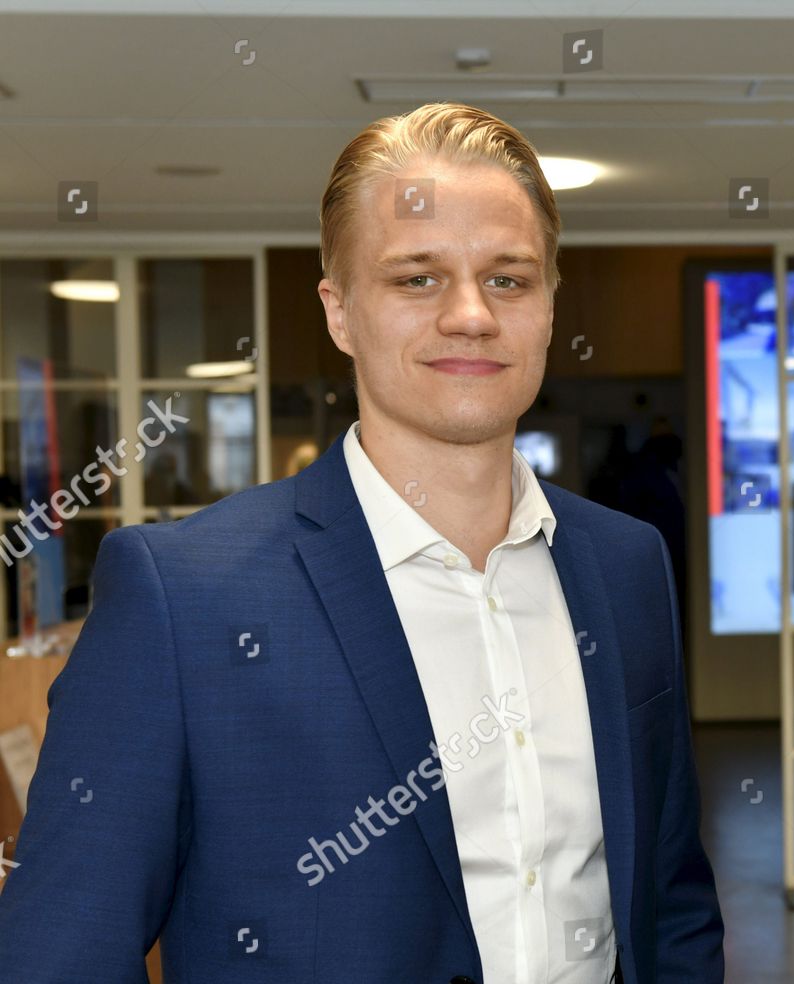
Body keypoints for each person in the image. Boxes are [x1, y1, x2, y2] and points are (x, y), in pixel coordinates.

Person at [0, 103, 723, 984]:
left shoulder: (625, 565)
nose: (470, 315)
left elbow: (671, 903)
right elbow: (62, 948)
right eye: (417, 278)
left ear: (546, 307)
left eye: (509, 278)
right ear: (340, 313)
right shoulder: (183, 596)